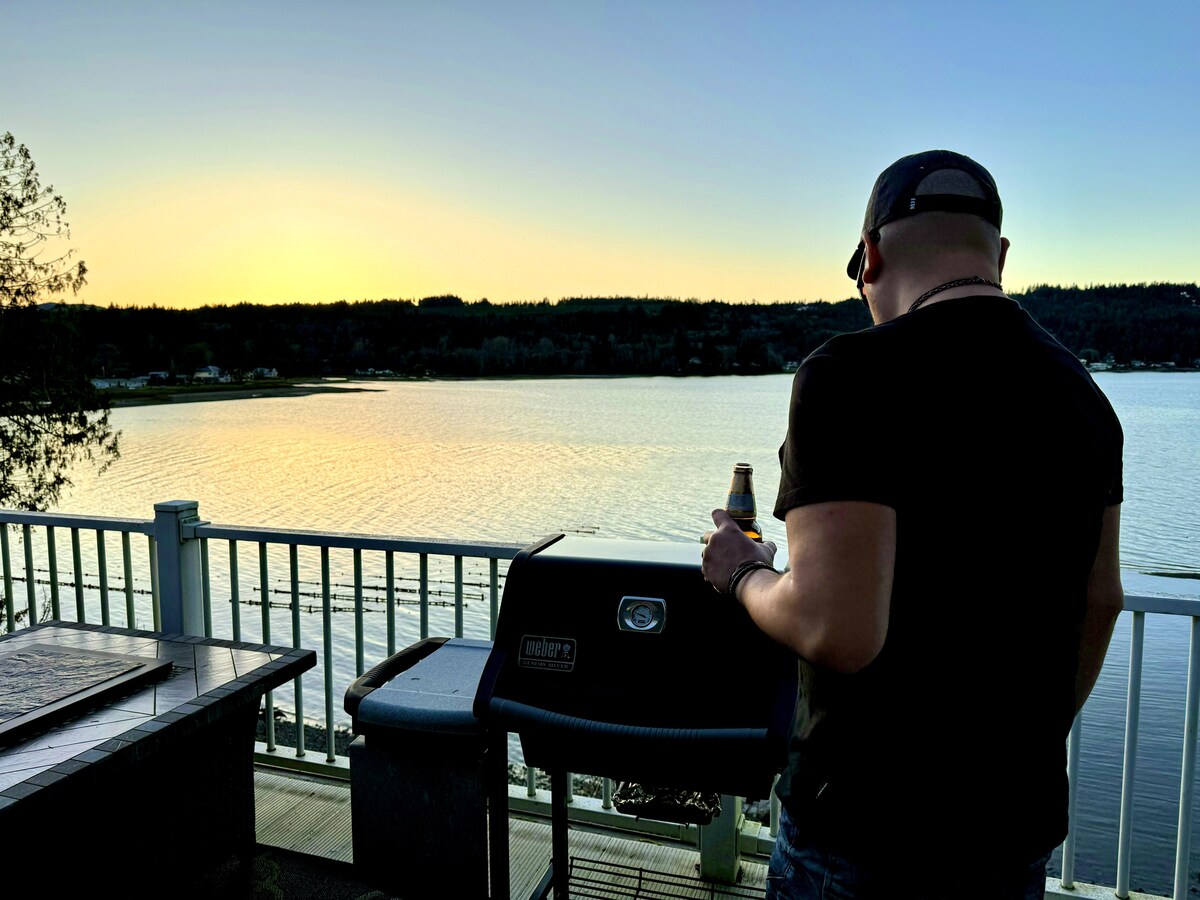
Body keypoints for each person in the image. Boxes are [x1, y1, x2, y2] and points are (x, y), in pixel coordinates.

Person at [700, 149, 1125, 899]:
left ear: (871, 256)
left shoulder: (850, 375)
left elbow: (839, 630)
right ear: (997, 255)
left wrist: (740, 572)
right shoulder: (1082, 395)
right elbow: (1101, 602)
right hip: (1009, 828)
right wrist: (1019, 742)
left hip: (863, 826)